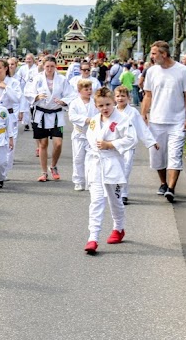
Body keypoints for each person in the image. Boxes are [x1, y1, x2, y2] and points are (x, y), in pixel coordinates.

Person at [82, 87, 137, 254]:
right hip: (96, 164)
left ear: (113, 102)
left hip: (113, 163)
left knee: (115, 200)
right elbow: (90, 140)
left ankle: (118, 228)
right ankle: (93, 237)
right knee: (97, 200)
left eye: (107, 104)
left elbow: (132, 139)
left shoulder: (123, 119)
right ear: (96, 106)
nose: (105, 108)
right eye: (101, 105)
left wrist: (111, 144)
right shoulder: (93, 120)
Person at [141, 40, 186, 202]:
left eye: (154, 53)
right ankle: (163, 183)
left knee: (175, 156)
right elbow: (148, 94)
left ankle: (171, 188)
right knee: (157, 157)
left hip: (177, 122)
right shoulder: (152, 72)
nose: (151, 56)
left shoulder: (182, 70)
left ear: (164, 54)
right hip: (156, 121)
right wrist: (143, 114)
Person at [30, 56, 73, 182]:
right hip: (41, 113)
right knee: (43, 144)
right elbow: (28, 92)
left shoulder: (62, 79)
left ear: (56, 66)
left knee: (58, 143)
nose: (49, 69)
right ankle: (44, 172)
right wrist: (36, 97)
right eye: (47, 66)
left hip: (56, 114)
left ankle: (53, 166)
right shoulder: (37, 79)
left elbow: (70, 94)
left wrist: (63, 101)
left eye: (52, 66)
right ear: (43, 66)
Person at [114, 85, 158, 205]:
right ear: (114, 98)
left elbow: (141, 128)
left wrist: (151, 142)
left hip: (128, 146)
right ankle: (116, 192)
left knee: (126, 169)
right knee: (116, 169)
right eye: (118, 96)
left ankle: (123, 194)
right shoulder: (112, 111)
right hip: (114, 146)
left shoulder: (133, 112)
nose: (120, 98)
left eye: (123, 96)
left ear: (128, 97)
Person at [68, 80, 98, 191]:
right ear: (79, 90)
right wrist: (86, 120)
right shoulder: (75, 103)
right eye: (86, 89)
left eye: (90, 89)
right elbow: (72, 117)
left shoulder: (94, 102)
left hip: (92, 135)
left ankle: (91, 181)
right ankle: (78, 181)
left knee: (92, 159)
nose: (89, 91)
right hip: (79, 135)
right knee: (78, 159)